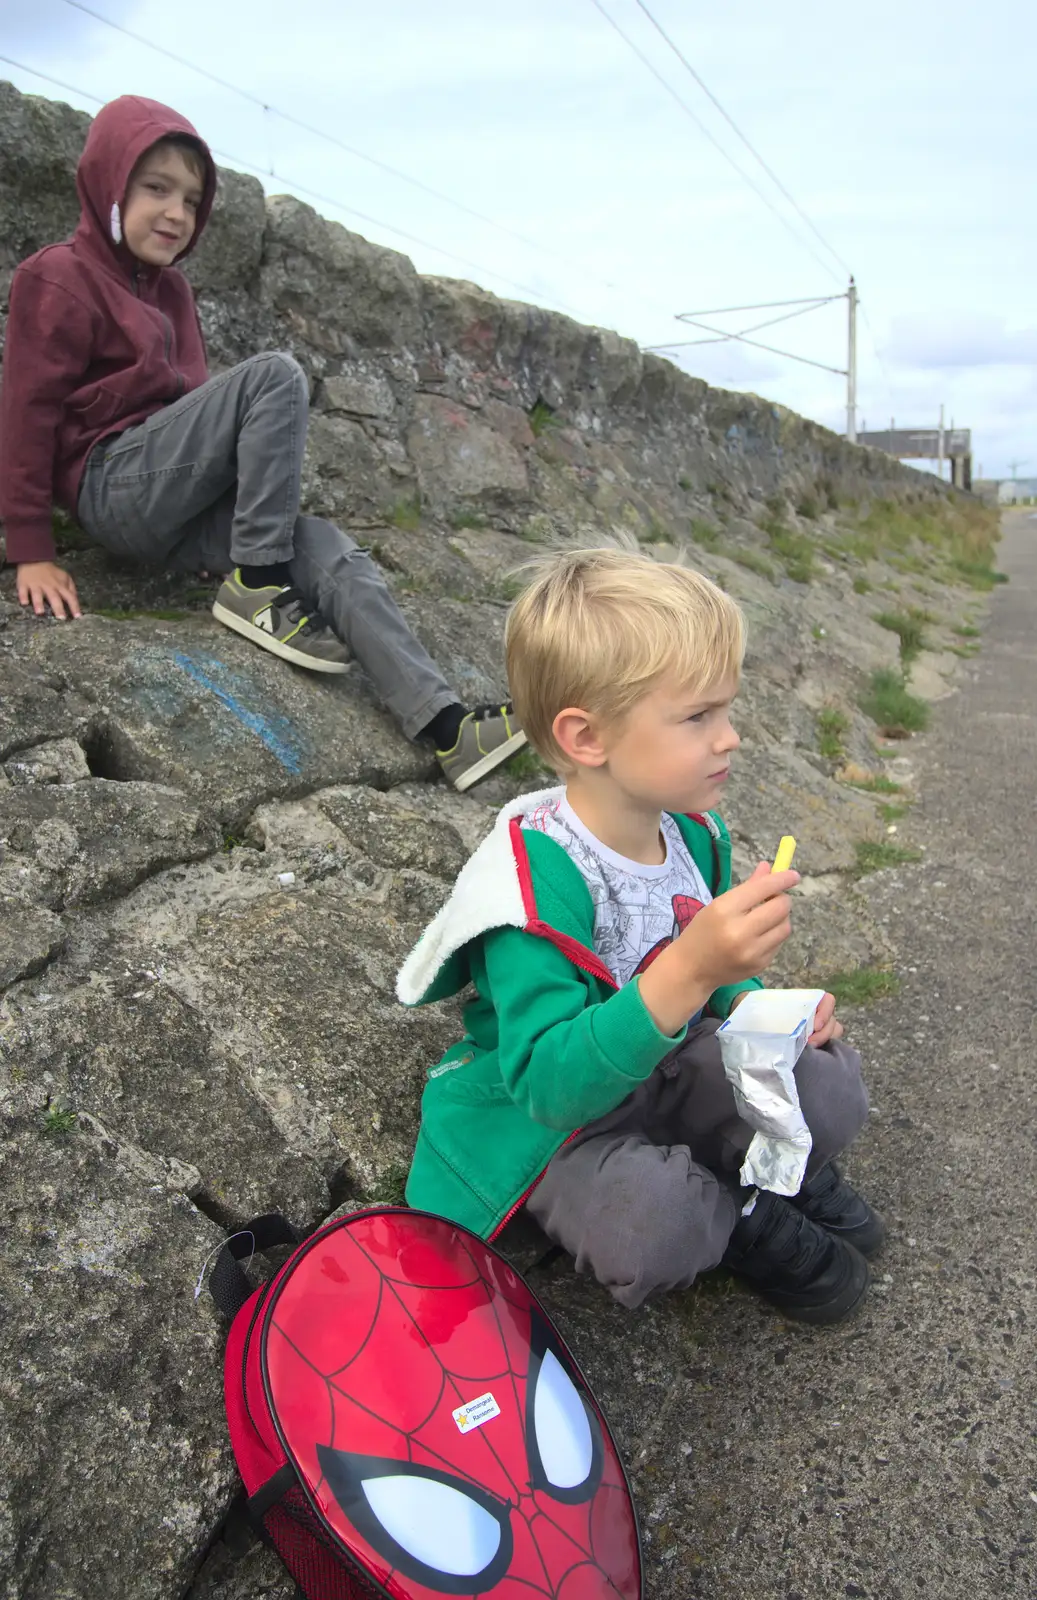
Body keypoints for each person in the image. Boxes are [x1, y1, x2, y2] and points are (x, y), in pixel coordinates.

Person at [396, 547, 882, 1323]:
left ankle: (760, 1166)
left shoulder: (691, 834)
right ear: (587, 738)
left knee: (826, 1084)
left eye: (724, 710)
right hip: (569, 1124)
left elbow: (718, 983)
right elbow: (549, 1086)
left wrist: (763, 1006)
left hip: (671, 1067)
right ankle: (741, 1215)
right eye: (698, 716)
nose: (729, 738)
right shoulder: (532, 890)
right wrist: (690, 971)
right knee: (649, 1223)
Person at [0, 95, 525, 793]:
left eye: (190, 200)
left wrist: (239, 517)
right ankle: (256, 584)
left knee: (330, 549)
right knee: (273, 375)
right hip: (110, 483)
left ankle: (446, 728)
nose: (176, 214)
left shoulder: (174, 293)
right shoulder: (57, 275)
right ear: (107, 183)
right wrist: (31, 549)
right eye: (155, 188)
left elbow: (194, 415)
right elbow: (25, 411)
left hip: (169, 499)